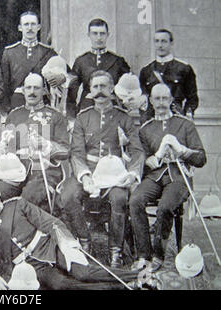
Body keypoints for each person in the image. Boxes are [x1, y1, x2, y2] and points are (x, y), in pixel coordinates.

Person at [0, 176, 142, 290]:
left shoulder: (17, 204)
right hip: (30, 265)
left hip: (50, 246)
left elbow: (50, 222)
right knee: (61, 285)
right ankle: (121, 286)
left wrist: (67, 243)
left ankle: (137, 276)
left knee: (83, 272)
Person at [59, 70, 144, 268]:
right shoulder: (83, 117)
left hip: (115, 174)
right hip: (89, 170)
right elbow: (77, 152)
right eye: (95, 87)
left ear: (112, 88)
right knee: (68, 196)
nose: (99, 91)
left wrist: (131, 174)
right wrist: (85, 176)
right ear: (90, 90)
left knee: (119, 198)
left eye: (103, 86)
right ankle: (84, 241)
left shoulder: (124, 118)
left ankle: (116, 250)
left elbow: (137, 151)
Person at [129, 83, 206, 272]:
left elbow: (201, 158)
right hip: (155, 176)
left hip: (179, 177)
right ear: (151, 101)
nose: (161, 103)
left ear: (172, 100)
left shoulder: (185, 124)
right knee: (135, 200)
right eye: (157, 99)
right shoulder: (145, 129)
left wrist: (183, 151)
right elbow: (144, 160)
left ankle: (158, 254)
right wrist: (155, 157)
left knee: (165, 207)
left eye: (165, 98)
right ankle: (143, 255)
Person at [0, 73, 69, 214]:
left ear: (44, 91)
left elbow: (65, 150)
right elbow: (6, 145)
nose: (32, 92)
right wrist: (2, 148)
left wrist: (46, 144)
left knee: (29, 197)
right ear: (23, 91)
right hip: (16, 169)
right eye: (28, 88)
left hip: (44, 171)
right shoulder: (14, 115)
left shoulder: (55, 116)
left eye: (36, 88)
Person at [1, 11, 72, 118]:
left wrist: (62, 77)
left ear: (38, 27)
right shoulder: (10, 52)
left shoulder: (48, 52)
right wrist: (5, 111)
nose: (30, 28)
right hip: (17, 102)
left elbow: (70, 75)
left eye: (33, 24)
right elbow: (4, 85)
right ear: (20, 28)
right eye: (26, 24)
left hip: (42, 103)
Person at [69, 18, 130, 115]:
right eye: (95, 33)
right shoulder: (81, 61)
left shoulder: (118, 61)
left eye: (102, 33)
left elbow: (128, 88)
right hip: (87, 108)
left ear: (107, 35)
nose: (99, 38)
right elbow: (71, 92)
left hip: (112, 109)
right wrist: (71, 116)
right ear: (88, 35)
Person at [139, 29, 199, 124]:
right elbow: (143, 99)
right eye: (157, 41)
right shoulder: (146, 71)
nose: (160, 45)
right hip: (153, 120)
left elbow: (192, 98)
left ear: (171, 43)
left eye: (164, 41)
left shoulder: (184, 69)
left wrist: (187, 115)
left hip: (176, 119)